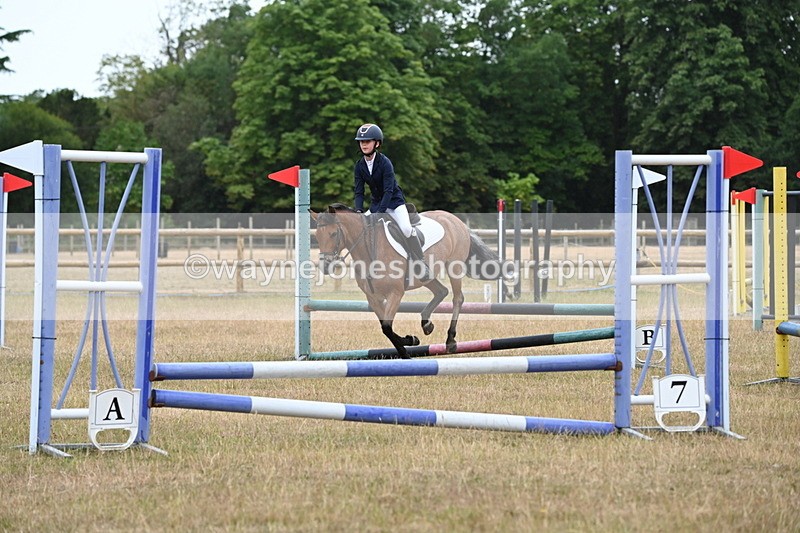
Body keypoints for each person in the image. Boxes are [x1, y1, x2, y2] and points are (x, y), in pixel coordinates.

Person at [353, 123, 431, 281]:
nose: (364, 144)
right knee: (362, 230)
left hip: (394, 203)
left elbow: (388, 191)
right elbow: (359, 191)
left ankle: (420, 262)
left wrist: (380, 213)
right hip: (376, 205)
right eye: (362, 141)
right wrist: (359, 211)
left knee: (406, 229)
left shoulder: (385, 163)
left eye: (368, 141)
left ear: (377, 143)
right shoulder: (359, 166)